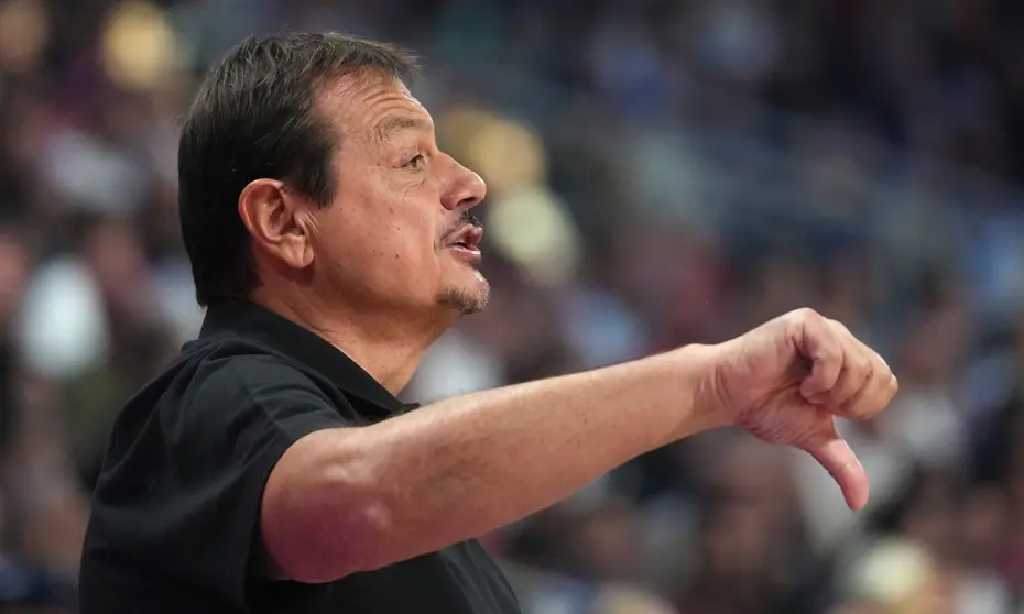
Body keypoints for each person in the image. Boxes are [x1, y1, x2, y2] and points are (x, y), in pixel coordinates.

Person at [77, 32, 898, 614]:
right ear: (284, 222)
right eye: (410, 159)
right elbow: (356, 500)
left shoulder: (418, 499)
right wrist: (711, 383)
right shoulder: (213, 402)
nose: (470, 182)